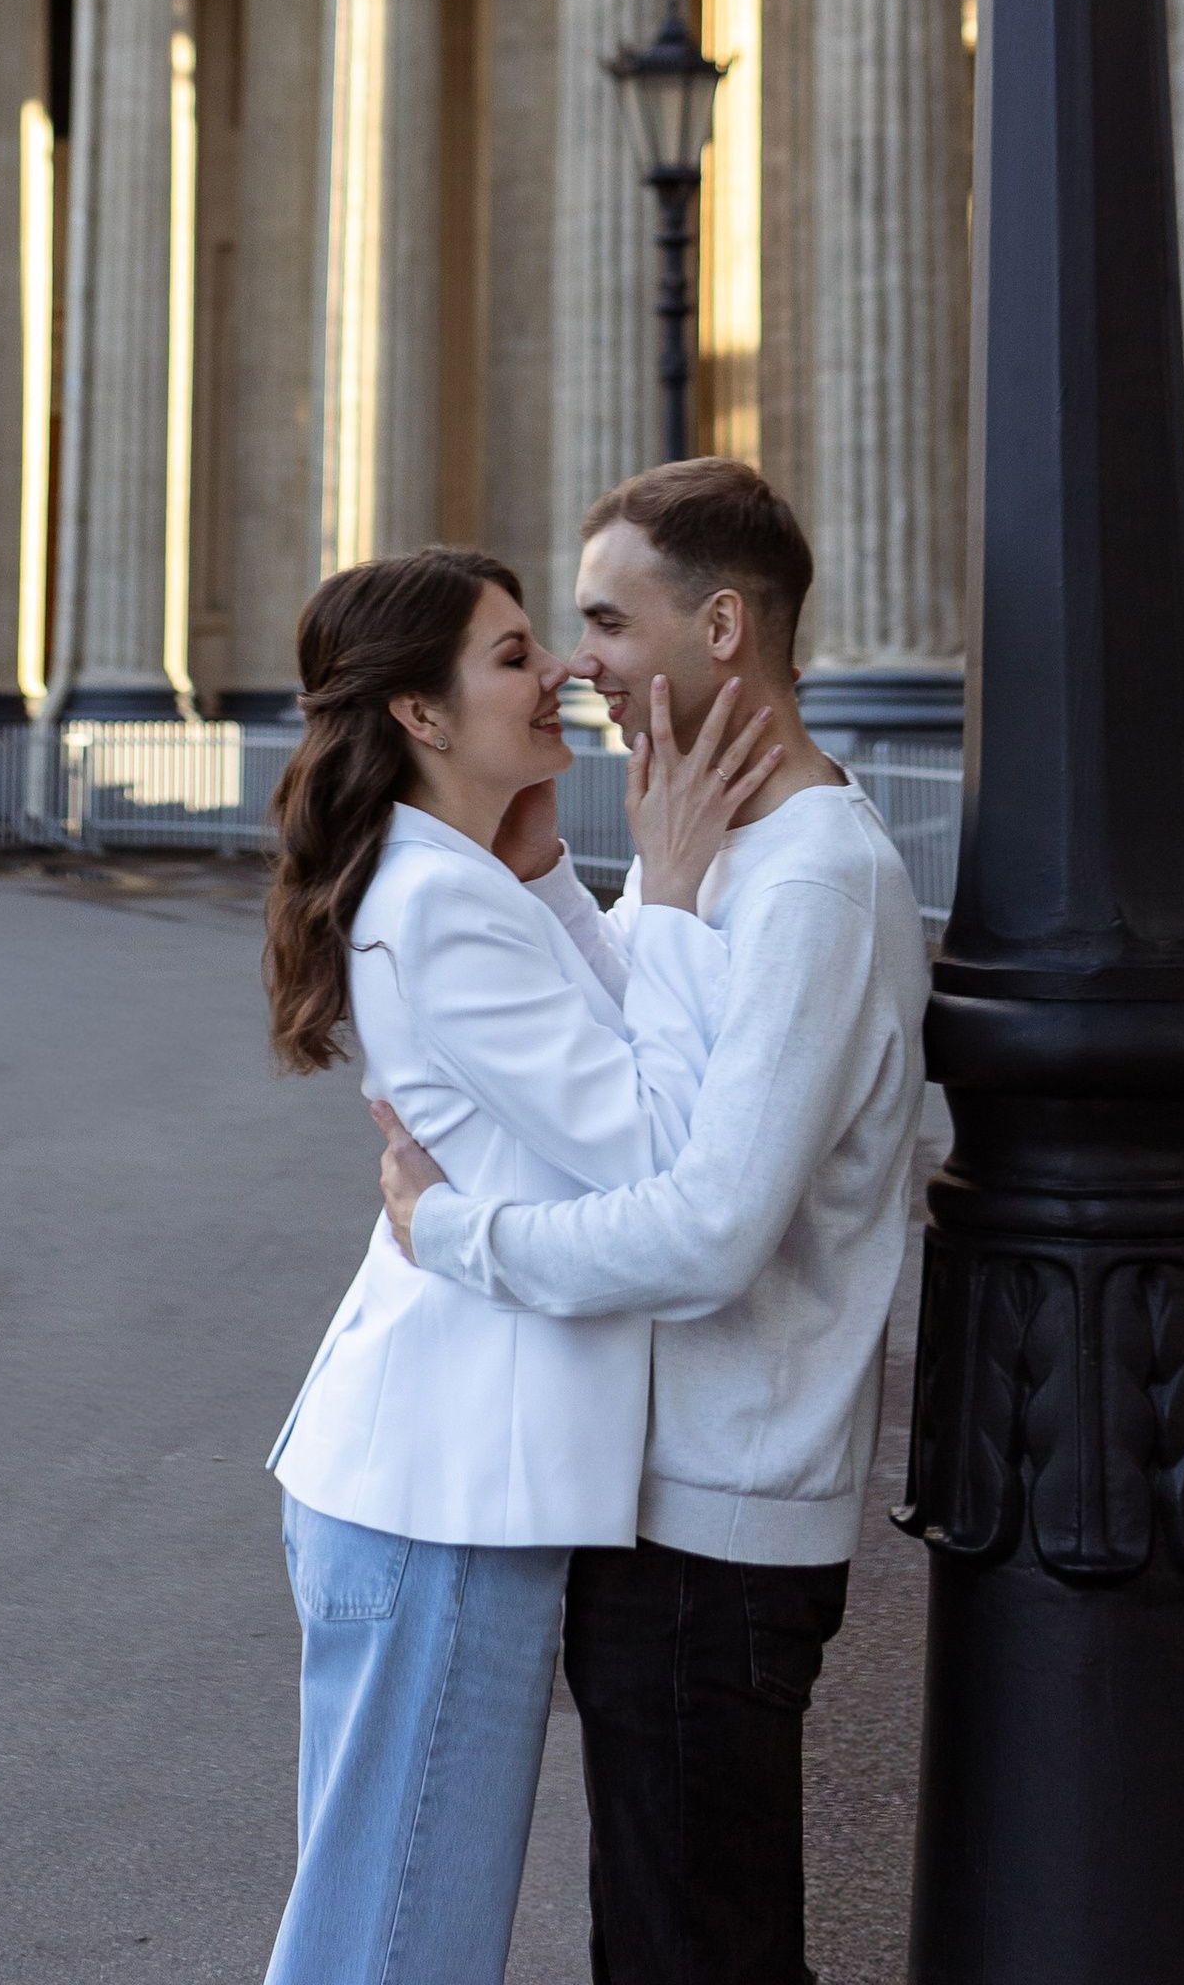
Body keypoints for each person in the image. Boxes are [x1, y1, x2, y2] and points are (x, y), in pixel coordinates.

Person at [375, 460, 931, 1985]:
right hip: (660, 1499)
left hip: (717, 1520)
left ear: (727, 625)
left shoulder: (812, 878)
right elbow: (617, 1022)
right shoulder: (720, 851)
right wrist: (572, 849)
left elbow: (699, 1232)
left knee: (696, 1956)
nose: (578, 663)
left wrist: (452, 1237)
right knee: (676, 1942)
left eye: (609, 621)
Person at [260, 543, 775, 1985]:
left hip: (439, 1495)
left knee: (395, 1930)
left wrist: (554, 871)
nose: (555, 671)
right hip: (440, 1504)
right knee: (394, 1945)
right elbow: (664, 1146)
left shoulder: (465, 882)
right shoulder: (435, 902)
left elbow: (618, 1052)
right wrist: (665, 893)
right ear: (421, 717)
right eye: (509, 654)